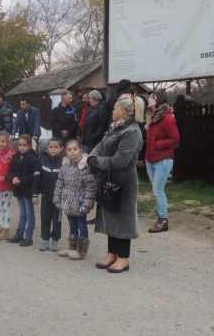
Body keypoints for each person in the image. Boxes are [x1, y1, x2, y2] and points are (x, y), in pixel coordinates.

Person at [89, 95, 142, 274]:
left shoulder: (132, 132)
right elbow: (101, 144)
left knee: (123, 218)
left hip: (124, 180)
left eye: (114, 109)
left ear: (123, 112)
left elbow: (120, 160)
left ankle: (123, 258)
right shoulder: (115, 128)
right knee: (110, 214)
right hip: (109, 178)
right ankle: (111, 253)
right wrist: (92, 157)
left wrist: (98, 163)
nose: (112, 111)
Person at [53, 139, 96, 260]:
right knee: (72, 224)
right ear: (66, 152)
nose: (72, 152)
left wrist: (87, 203)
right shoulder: (65, 165)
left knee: (81, 225)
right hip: (67, 201)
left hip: (80, 202)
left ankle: (81, 250)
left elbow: (90, 186)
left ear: (80, 150)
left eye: (75, 149)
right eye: (69, 149)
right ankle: (72, 248)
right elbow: (60, 183)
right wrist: (57, 199)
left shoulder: (85, 166)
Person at [144, 91, 180, 233]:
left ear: (158, 100)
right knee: (156, 190)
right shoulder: (151, 116)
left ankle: (163, 219)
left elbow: (175, 139)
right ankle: (161, 216)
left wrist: (158, 144)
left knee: (158, 190)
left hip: (163, 159)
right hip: (150, 158)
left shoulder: (167, 118)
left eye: (152, 98)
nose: (149, 99)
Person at [8, 134, 40, 246]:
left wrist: (21, 180)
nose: (21, 147)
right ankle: (20, 233)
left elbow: (35, 176)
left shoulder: (33, 158)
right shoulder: (15, 156)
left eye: (24, 145)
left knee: (29, 212)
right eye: (20, 145)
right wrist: (12, 178)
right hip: (18, 189)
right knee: (22, 212)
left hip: (28, 189)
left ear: (30, 146)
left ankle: (29, 236)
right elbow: (10, 171)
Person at [34, 137, 64, 251]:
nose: (53, 149)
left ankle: (55, 241)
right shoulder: (43, 162)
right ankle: (45, 239)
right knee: (45, 218)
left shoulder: (64, 163)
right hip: (46, 197)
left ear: (61, 148)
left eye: (56, 147)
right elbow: (37, 179)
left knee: (57, 220)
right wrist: (35, 194)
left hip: (59, 200)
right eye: (50, 147)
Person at [0, 131, 16, 240]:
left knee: (6, 206)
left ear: (8, 142)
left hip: (6, 183)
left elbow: (13, 168)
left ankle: (6, 228)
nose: (0, 144)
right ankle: (0, 225)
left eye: (3, 141)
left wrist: (6, 177)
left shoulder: (11, 153)